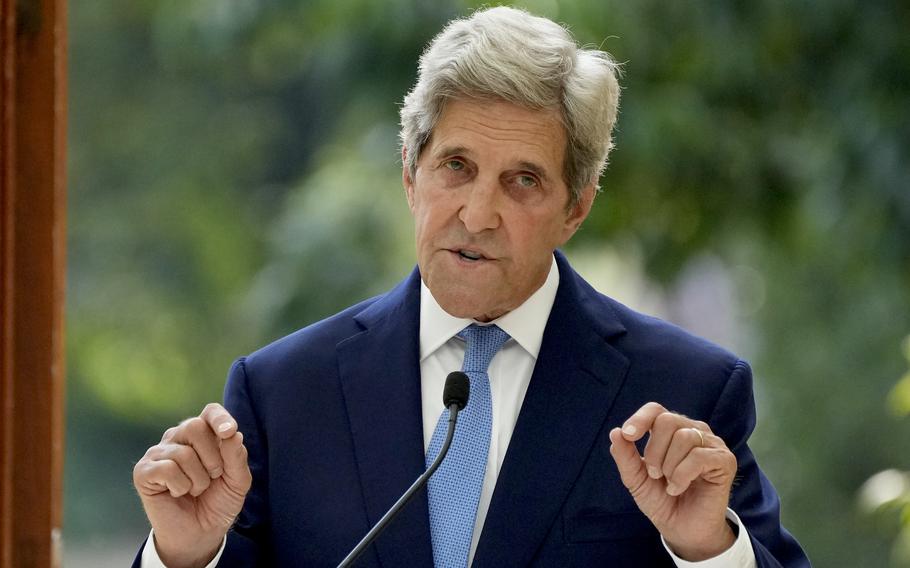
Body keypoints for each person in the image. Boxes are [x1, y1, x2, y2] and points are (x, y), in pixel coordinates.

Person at [132, 6, 809, 567]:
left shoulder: (685, 392)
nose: (478, 214)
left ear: (576, 208)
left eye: (523, 181)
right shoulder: (282, 393)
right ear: (410, 173)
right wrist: (185, 555)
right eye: (457, 165)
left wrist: (706, 551)